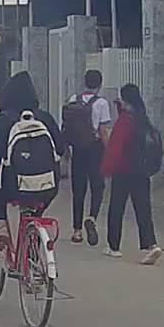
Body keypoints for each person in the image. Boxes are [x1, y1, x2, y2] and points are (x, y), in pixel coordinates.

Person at [0, 71, 63, 250]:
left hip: (14, 186)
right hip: (48, 186)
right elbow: (61, 148)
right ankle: (33, 245)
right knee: (35, 209)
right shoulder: (45, 118)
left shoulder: (5, 120)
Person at [100, 83, 162, 265]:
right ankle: (151, 245)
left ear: (125, 99)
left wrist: (107, 169)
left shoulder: (124, 121)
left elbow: (116, 147)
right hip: (142, 172)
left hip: (124, 171)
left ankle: (113, 247)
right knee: (143, 209)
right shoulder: (143, 118)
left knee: (116, 208)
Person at [61, 69, 114, 246]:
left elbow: (67, 127)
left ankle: (77, 231)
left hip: (77, 149)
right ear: (100, 84)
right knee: (98, 185)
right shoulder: (101, 103)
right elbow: (103, 131)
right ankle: (91, 217)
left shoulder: (73, 100)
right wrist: (109, 152)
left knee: (78, 189)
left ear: (84, 82)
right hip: (95, 148)